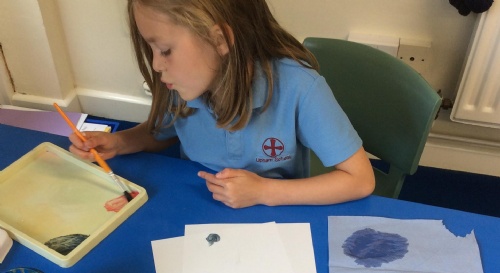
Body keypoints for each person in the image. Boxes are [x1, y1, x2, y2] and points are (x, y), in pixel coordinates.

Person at [69, 0, 375, 208]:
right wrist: (120, 142)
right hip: (194, 204)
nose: (156, 65)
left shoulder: (300, 88)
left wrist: (264, 191)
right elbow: (162, 132)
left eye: (164, 50)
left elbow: (360, 180)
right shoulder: (182, 82)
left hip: (274, 214)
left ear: (219, 39)